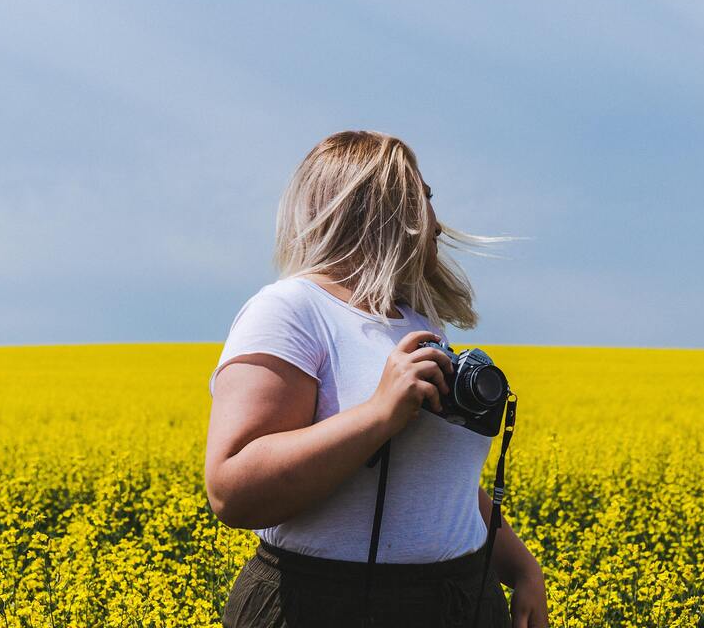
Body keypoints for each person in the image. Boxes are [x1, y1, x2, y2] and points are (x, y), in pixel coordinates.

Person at [205, 130, 550, 628]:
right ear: (384, 206)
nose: (438, 222)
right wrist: (378, 414)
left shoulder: (420, 325)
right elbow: (232, 490)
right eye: (424, 197)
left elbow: (442, 487)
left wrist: (521, 569)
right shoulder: (290, 310)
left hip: (460, 601)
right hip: (325, 604)